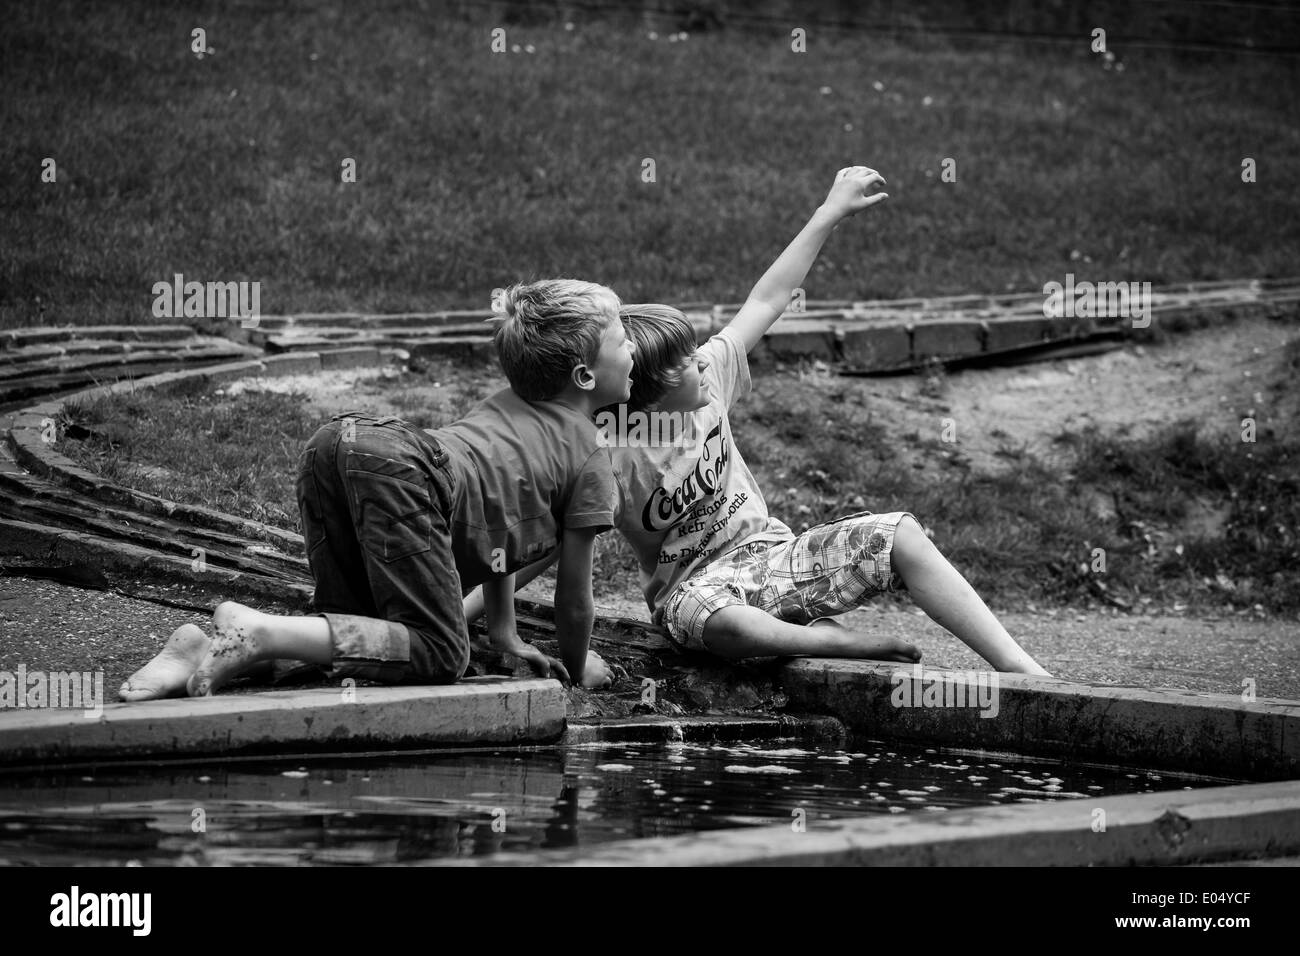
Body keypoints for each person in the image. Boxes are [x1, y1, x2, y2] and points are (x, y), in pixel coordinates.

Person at [605, 166, 1051, 675]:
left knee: (899, 534)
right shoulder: (614, 458)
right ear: (650, 391)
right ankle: (839, 644)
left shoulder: (711, 380)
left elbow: (768, 297)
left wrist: (829, 213)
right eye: (684, 361)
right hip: (694, 593)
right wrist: (496, 614)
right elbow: (552, 540)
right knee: (720, 621)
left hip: (771, 559)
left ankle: (1022, 669)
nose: (702, 359)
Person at [119, 279, 632, 701]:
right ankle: (257, 630)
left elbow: (502, 532)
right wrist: (576, 662)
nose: (633, 349)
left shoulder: (511, 404)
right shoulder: (590, 455)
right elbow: (574, 598)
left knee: (361, 643)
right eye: (622, 340)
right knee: (440, 652)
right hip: (408, 472)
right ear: (585, 375)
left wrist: (503, 633)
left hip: (339, 445)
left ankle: (198, 649)